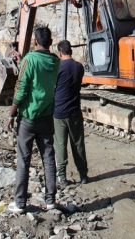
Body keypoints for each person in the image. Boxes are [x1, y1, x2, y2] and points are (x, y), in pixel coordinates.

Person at [7, 26, 61, 214]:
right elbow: (42, 77)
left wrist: (12, 113)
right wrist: (23, 62)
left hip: (28, 118)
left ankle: (20, 203)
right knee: (48, 157)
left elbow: (22, 88)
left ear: (35, 42)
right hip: (47, 116)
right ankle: (51, 201)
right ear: (51, 43)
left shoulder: (30, 60)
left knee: (23, 159)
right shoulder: (55, 61)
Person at [53, 40, 88, 188]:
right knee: (78, 143)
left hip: (59, 113)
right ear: (71, 51)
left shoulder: (57, 68)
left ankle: (62, 177)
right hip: (74, 111)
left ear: (60, 52)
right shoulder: (79, 67)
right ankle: (83, 175)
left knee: (60, 145)